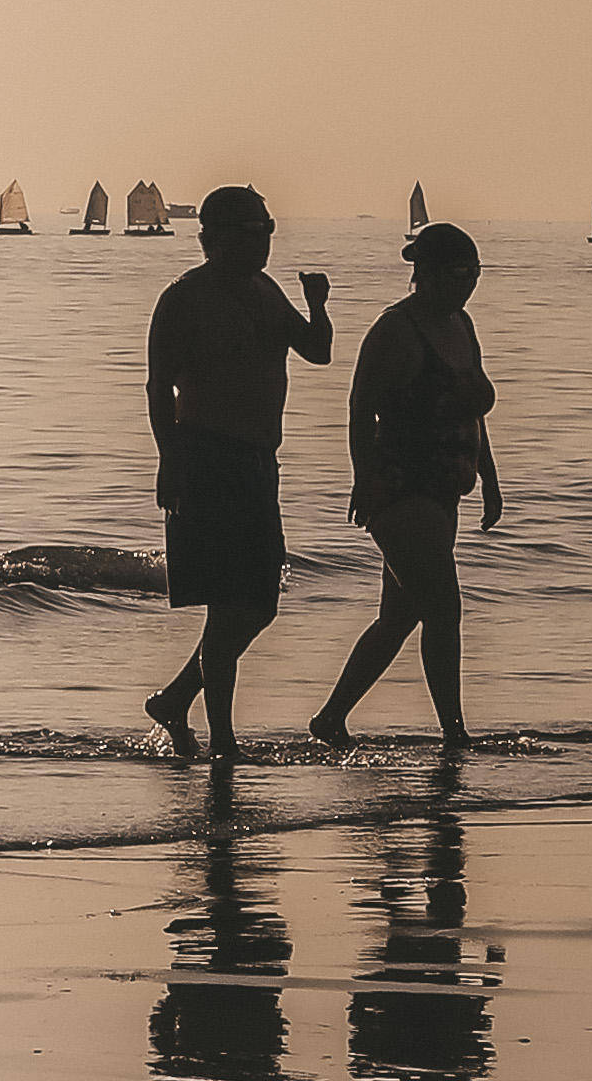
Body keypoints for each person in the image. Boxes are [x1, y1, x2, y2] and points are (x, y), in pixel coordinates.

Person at [141, 188, 332, 764]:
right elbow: (158, 387)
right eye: (248, 234)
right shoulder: (184, 298)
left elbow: (317, 352)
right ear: (211, 239)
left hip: (256, 463)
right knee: (227, 603)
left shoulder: (266, 291)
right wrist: (168, 459)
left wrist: (318, 303)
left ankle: (176, 698)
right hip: (205, 460)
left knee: (260, 601)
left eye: (266, 232)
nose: (260, 244)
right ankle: (221, 737)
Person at [309, 219, 500, 751]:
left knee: (399, 616)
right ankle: (454, 732)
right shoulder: (396, 330)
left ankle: (330, 719)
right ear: (426, 273)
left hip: (445, 488)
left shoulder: (462, 324)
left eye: (475, 273)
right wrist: (363, 477)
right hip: (399, 488)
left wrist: (490, 478)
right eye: (460, 273)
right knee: (443, 606)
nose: (469, 283)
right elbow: (357, 408)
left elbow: (474, 415)